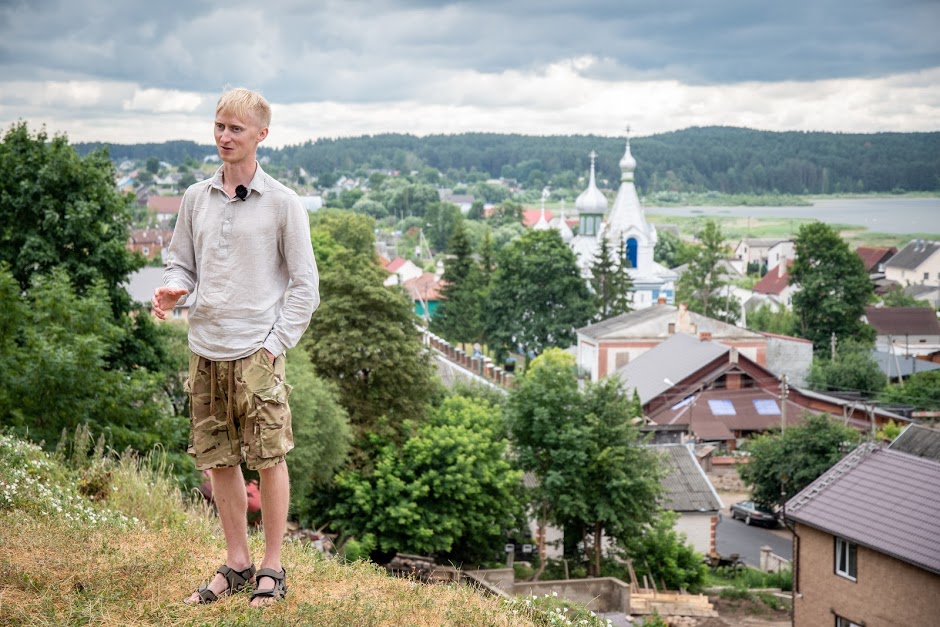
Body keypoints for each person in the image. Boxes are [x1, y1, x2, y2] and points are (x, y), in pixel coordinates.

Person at [152, 87, 318, 608]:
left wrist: (274, 346)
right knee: (219, 460)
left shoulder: (284, 204)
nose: (224, 136)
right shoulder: (195, 198)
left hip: (256, 353)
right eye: (219, 125)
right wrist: (175, 286)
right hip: (205, 348)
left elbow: (305, 286)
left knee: (268, 459)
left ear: (261, 135)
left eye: (236, 128)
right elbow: (181, 262)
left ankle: (272, 567)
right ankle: (237, 562)